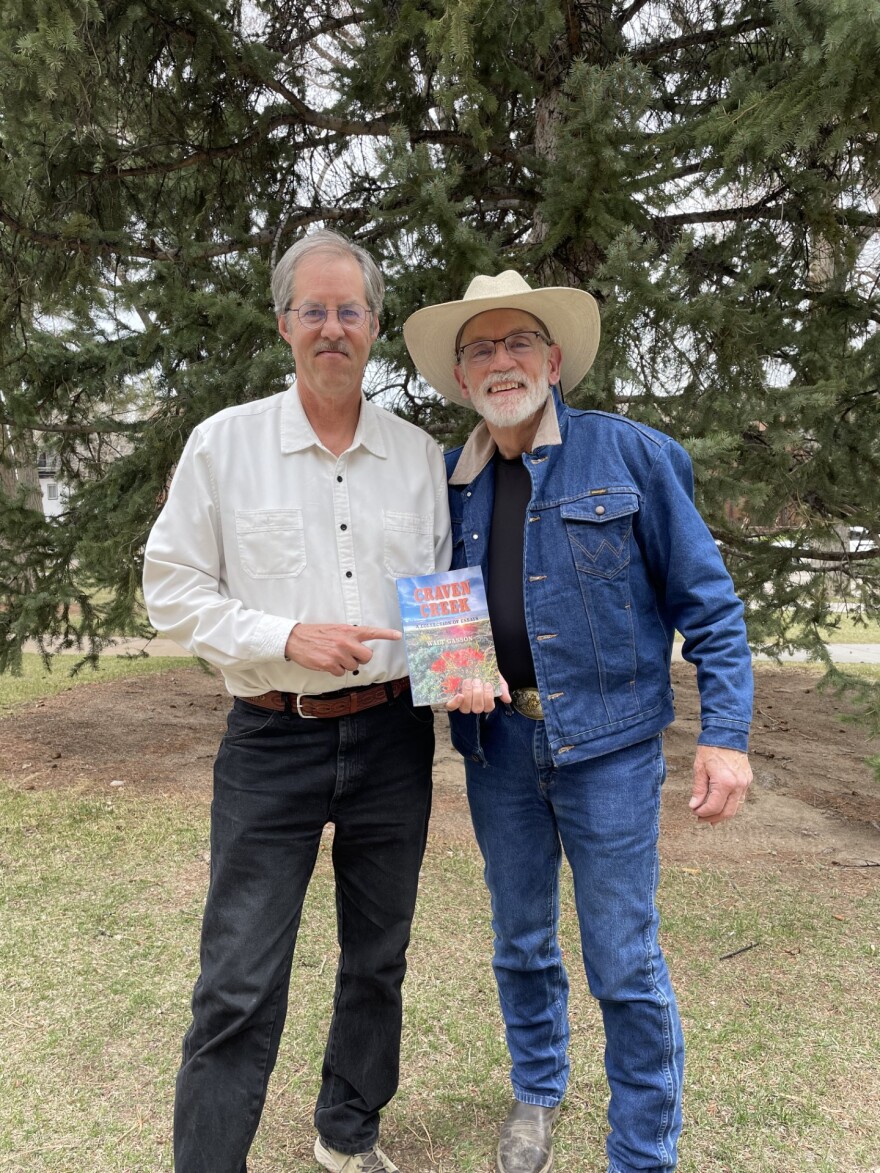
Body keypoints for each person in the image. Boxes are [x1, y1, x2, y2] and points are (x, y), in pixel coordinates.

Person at [403, 271, 753, 1173]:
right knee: (519, 941)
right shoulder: (451, 483)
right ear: (461, 375)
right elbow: (439, 606)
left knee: (623, 959)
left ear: (553, 361)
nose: (500, 360)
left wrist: (726, 734)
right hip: (497, 751)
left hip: (612, 748)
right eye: (479, 348)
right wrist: (453, 670)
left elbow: (709, 604)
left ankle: (641, 1151)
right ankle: (537, 1089)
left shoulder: (633, 457)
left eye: (517, 341)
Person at [143, 229, 451, 1173]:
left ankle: (347, 1131)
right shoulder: (222, 446)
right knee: (238, 977)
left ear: (374, 326)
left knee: (379, 958)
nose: (331, 327)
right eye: (312, 310)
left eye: (348, 310)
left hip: (397, 736)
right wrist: (284, 635)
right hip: (273, 738)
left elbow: (441, 598)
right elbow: (172, 592)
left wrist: (463, 676)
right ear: (284, 324)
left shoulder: (417, 456)